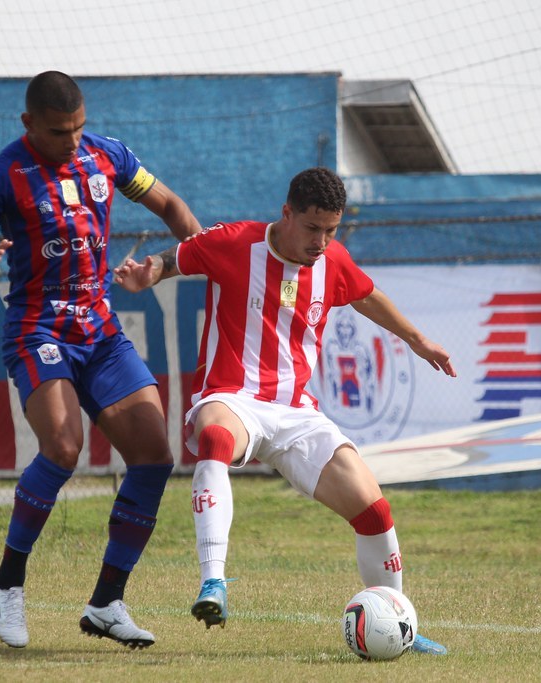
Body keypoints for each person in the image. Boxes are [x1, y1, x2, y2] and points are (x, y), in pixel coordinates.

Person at [114, 167, 456, 655]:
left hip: (297, 412)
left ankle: (396, 619)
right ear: (287, 214)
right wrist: (148, 273)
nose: (321, 241)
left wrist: (419, 340)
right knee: (215, 440)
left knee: (375, 510)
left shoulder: (331, 260)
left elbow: (366, 295)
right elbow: (173, 259)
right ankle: (213, 583)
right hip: (231, 397)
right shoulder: (235, 243)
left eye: (331, 231)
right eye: (313, 228)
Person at [0, 70, 201, 649]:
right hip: (37, 331)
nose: (73, 141)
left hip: (100, 331)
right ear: (29, 124)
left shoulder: (109, 157)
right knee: (62, 447)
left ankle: (107, 602)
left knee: (156, 457)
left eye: (80, 128)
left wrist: (185, 258)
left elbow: (173, 206)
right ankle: (7, 583)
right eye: (60, 132)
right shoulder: (4, 173)